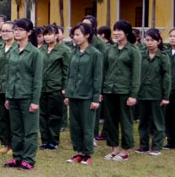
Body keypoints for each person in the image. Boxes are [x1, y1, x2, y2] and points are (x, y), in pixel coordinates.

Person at [4, 18, 43, 170]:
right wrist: (8, 96)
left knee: (30, 129)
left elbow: (37, 79)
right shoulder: (13, 50)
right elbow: (9, 75)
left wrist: (35, 101)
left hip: (27, 96)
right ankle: (17, 156)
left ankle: (29, 158)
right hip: (14, 95)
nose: (17, 32)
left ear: (29, 32)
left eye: (20, 30)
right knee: (16, 129)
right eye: (16, 29)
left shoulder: (35, 53)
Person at [64, 23, 103, 165]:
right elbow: (69, 74)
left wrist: (95, 98)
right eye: (74, 35)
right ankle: (78, 152)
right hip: (73, 94)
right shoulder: (73, 52)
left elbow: (97, 77)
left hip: (87, 95)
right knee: (75, 125)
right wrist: (67, 93)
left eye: (78, 34)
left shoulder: (95, 54)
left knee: (87, 126)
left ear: (87, 35)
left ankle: (87, 154)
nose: (75, 37)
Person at [102, 20, 141, 161]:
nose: (116, 33)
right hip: (109, 90)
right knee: (111, 122)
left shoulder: (133, 51)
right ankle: (114, 149)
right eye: (115, 30)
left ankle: (125, 151)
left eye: (119, 30)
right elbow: (105, 70)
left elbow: (136, 74)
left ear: (127, 33)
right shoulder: (110, 49)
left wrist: (133, 95)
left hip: (125, 91)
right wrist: (102, 90)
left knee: (125, 121)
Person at [136, 29, 170, 155]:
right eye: (147, 40)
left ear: (158, 41)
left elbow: (167, 77)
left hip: (157, 94)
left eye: (152, 40)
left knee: (158, 122)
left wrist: (165, 96)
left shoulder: (163, 57)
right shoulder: (141, 54)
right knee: (143, 121)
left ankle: (156, 146)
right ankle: (143, 145)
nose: (149, 43)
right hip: (143, 93)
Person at [40, 25, 69, 150]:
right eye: (45, 34)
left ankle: (53, 140)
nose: (47, 37)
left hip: (55, 87)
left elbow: (67, 70)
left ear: (57, 35)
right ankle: (44, 140)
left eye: (50, 34)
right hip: (42, 88)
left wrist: (65, 87)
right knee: (42, 115)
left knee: (54, 115)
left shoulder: (64, 50)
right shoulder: (41, 50)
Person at [0, 21, 15, 155]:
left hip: (12, 88)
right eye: (3, 31)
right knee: (1, 118)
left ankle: (14, 145)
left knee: (12, 118)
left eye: (7, 31)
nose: (4, 33)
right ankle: (5, 144)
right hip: (0, 87)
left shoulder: (18, 48)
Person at [166, 28, 175, 150]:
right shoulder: (165, 53)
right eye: (171, 36)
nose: (172, 38)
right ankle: (171, 141)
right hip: (169, 90)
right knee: (169, 117)